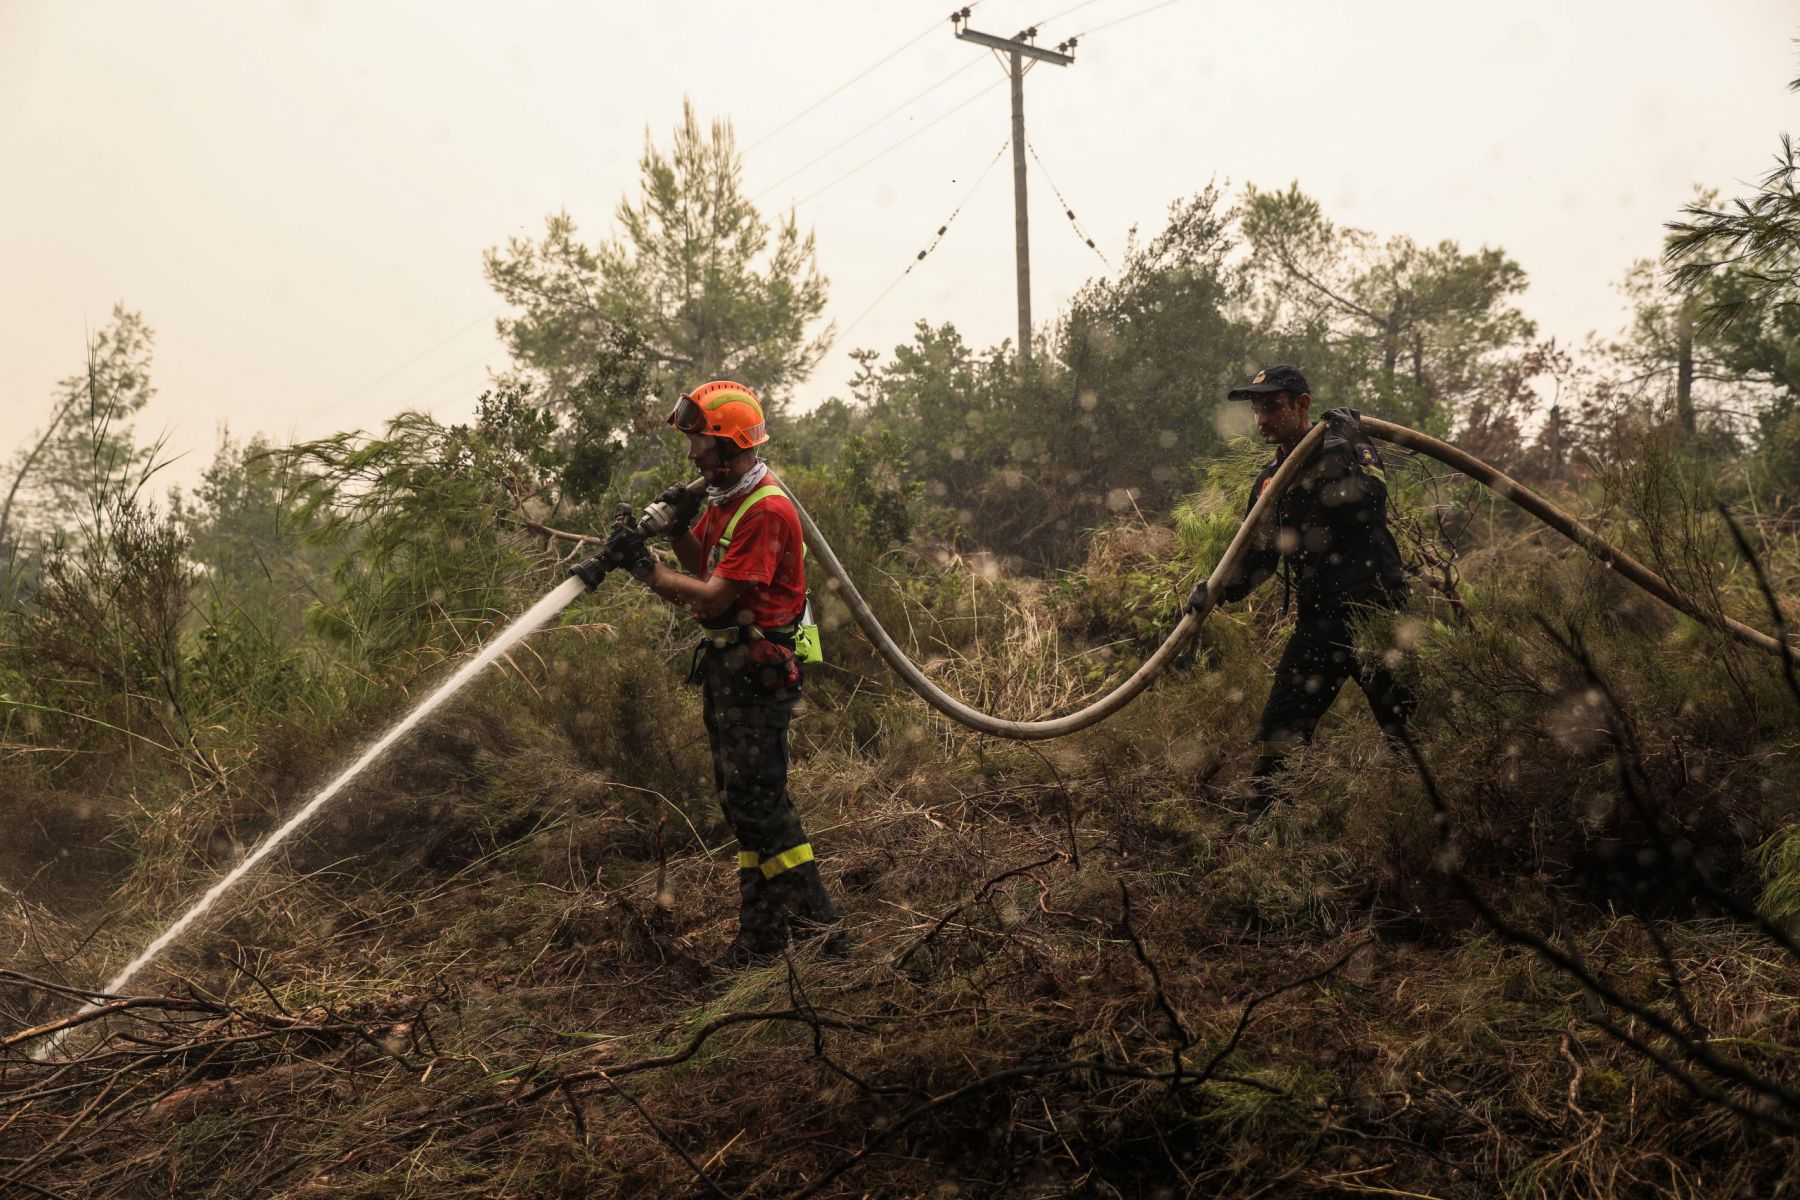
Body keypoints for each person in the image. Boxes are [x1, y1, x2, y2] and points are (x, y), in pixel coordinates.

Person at [617, 380, 847, 965]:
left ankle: (824, 934)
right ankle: (762, 935)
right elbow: (705, 566)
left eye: (700, 440)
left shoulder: (765, 507)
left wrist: (645, 570)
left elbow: (716, 598)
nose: (692, 453)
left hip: (757, 672)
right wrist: (673, 534)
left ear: (728, 444)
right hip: (729, 668)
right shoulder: (726, 499)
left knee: (763, 801)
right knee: (740, 802)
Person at [1187, 364, 1415, 804]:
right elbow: (1260, 558)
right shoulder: (1271, 481)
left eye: (1272, 407)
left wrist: (1355, 437)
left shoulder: (1341, 448)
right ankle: (1264, 834)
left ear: (1302, 405)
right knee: (1281, 732)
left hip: (1376, 613)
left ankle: (1437, 828)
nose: (1262, 419)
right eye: (1257, 410)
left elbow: (1374, 497)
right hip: (1319, 624)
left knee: (1407, 733)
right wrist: (1216, 591)